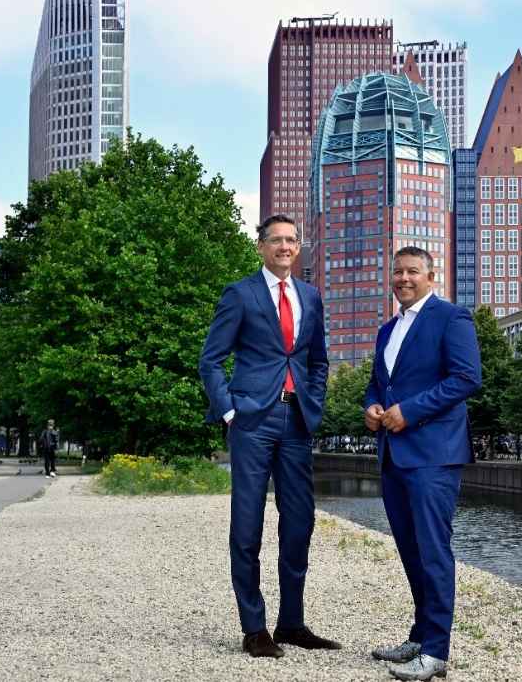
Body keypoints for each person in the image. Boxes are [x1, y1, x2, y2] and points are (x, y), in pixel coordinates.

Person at [199, 214, 336, 659]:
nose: (284, 246)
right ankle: (254, 628)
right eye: (275, 240)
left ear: (298, 247)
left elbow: (318, 360)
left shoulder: (311, 296)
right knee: (247, 524)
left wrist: (314, 404)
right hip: (252, 421)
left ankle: (291, 623)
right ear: (260, 246)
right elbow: (210, 360)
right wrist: (229, 411)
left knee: (299, 522)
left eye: (291, 240)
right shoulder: (240, 294)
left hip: (296, 421)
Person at [363, 246, 482, 681]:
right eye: (397, 271)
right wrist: (371, 407)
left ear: (432, 276)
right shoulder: (387, 330)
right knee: (411, 551)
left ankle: (435, 653)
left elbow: (467, 378)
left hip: (434, 455)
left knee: (433, 551)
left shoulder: (452, 318)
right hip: (393, 454)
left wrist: (409, 411)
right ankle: (420, 636)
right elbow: (378, 384)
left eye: (413, 271)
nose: (404, 278)